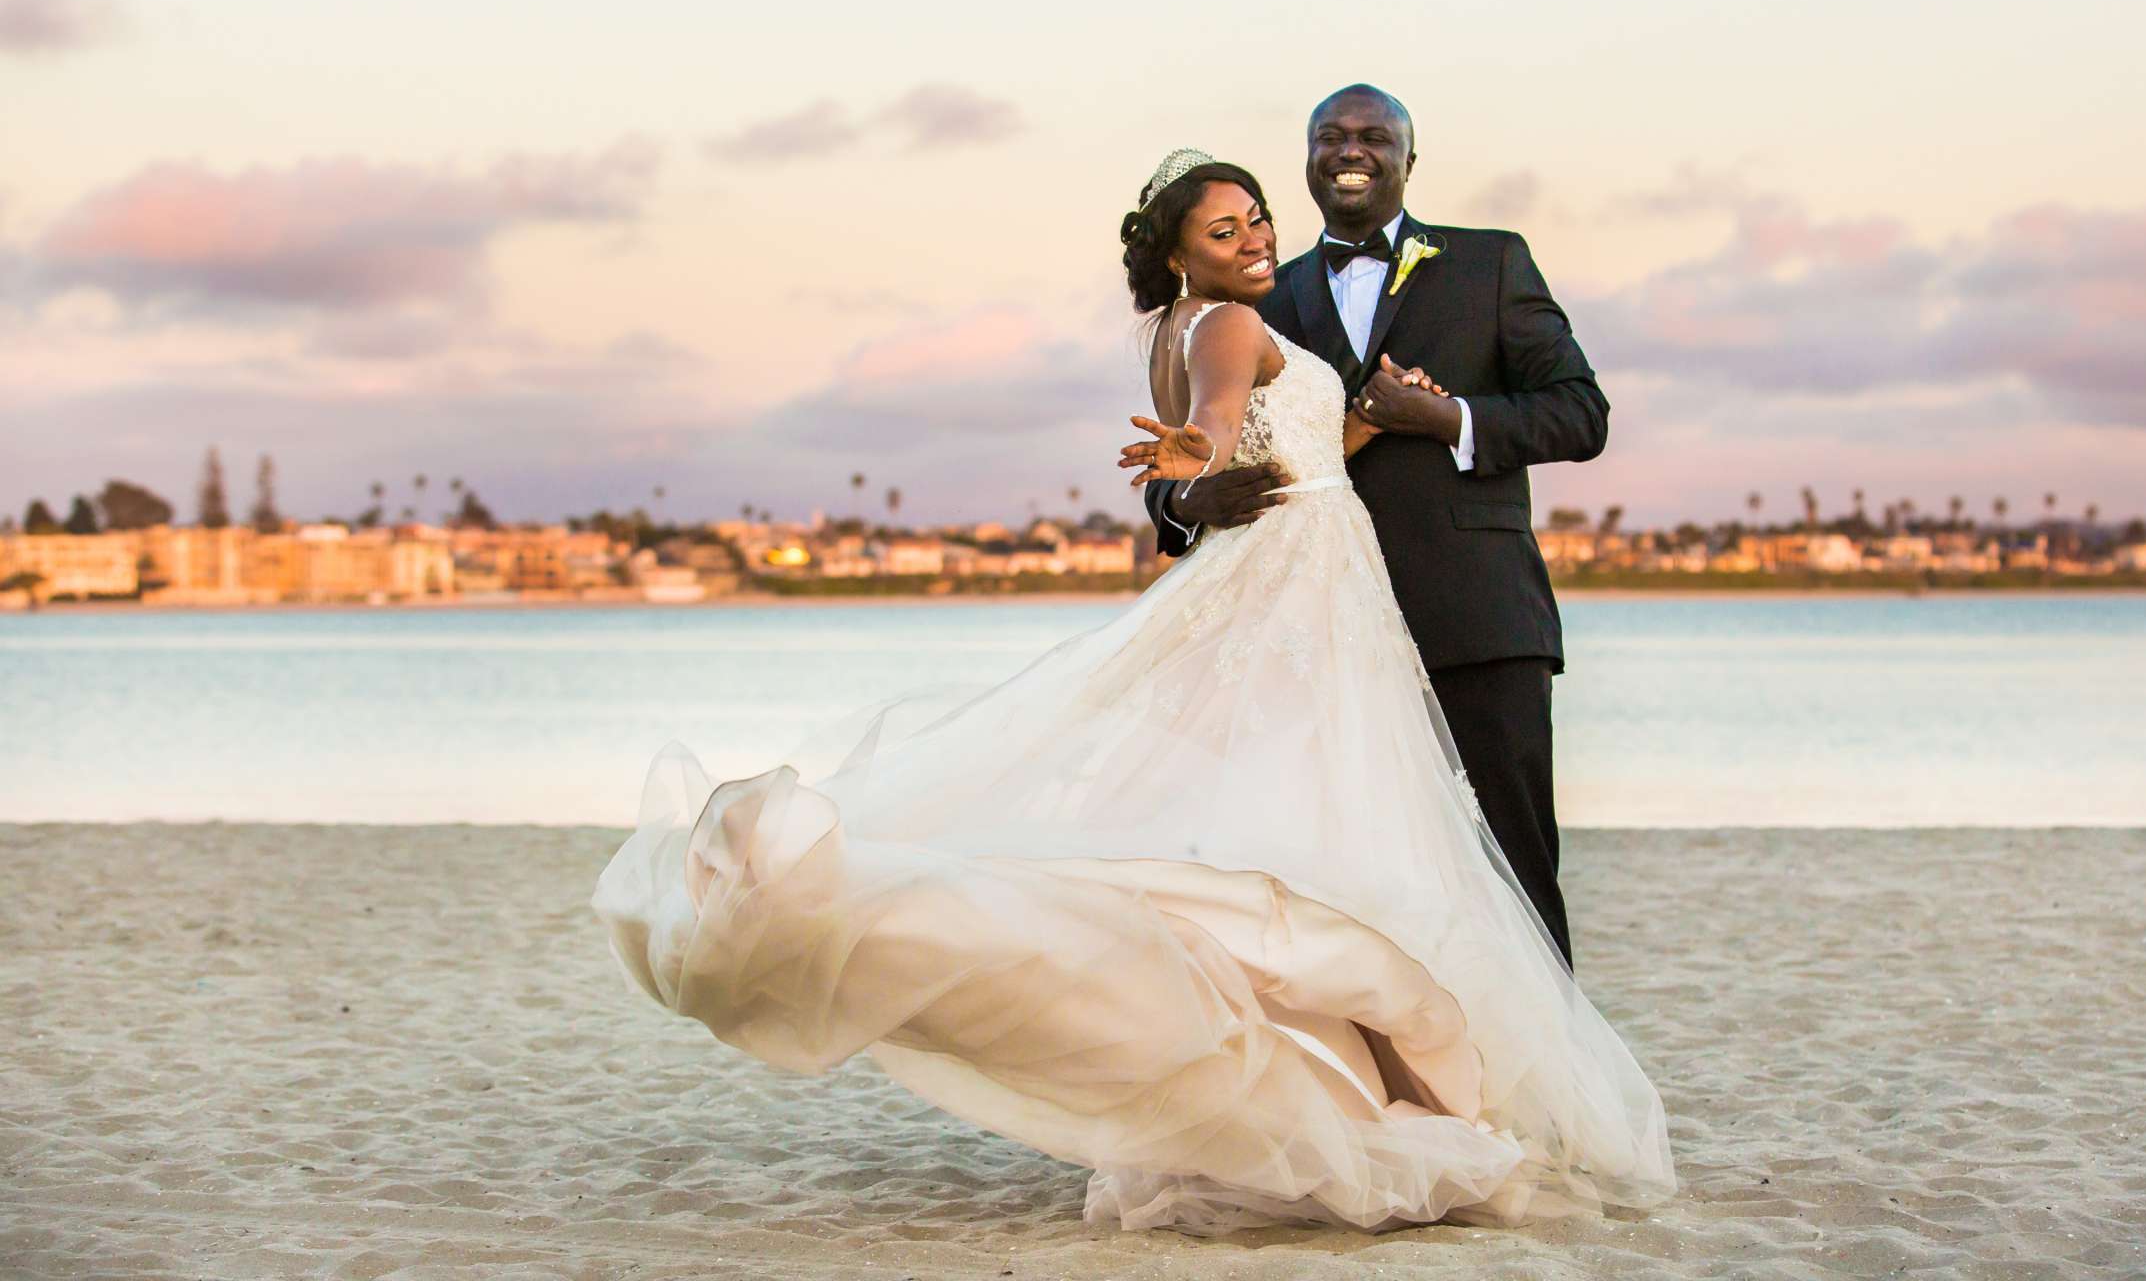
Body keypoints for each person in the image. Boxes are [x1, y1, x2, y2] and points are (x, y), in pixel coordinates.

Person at [591, 149, 1673, 1234]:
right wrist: (1191, 468)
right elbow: (1210, 424)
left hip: (1299, 566)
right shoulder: (1229, 326)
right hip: (1304, 585)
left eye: (1256, 219)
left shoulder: (1183, 326)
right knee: (1346, 827)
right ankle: (1392, 1087)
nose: (1255, 238)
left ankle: (1354, 1085)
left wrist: (1379, 418)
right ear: (1175, 254)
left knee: (1294, 827)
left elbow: (1286, 443)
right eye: (1226, 230)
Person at [1145, 85, 1605, 966]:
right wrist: (1186, 502)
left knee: (1511, 867)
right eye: (1330, 136)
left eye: (1372, 136)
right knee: (1338, 876)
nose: (1350, 149)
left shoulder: (1492, 263)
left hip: (1475, 619)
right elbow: (1182, 456)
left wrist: (1445, 418)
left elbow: (1581, 414)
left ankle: (1544, 1090)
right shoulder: (1250, 294)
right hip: (1310, 637)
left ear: (1408, 157)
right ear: (1310, 160)